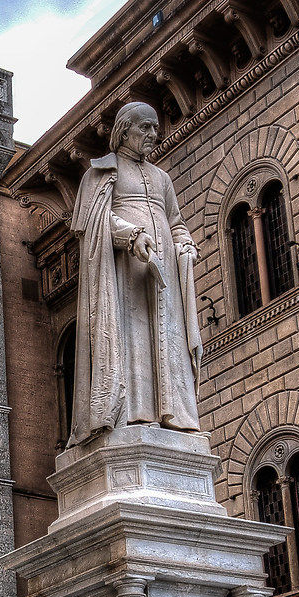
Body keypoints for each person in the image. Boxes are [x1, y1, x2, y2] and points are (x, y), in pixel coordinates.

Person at [67, 101, 202, 443]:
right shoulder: (100, 173)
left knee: (167, 339)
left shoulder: (162, 178)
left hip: (164, 278)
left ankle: (173, 414)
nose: (153, 135)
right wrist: (131, 236)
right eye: (145, 128)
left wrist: (185, 246)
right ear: (124, 130)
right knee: (132, 341)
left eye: (155, 128)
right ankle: (135, 412)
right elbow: (94, 222)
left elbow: (176, 223)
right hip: (124, 279)